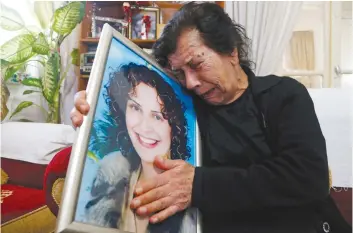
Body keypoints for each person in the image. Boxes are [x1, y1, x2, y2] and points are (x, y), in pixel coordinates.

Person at [71, 2, 350, 233]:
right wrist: (94, 108)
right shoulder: (185, 111)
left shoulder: (283, 94)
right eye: (180, 73)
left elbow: (308, 178)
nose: (190, 82)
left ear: (232, 51)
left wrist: (199, 185)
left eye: (197, 64)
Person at [83, 63, 196, 233]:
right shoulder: (111, 173)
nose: (144, 127)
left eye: (158, 117)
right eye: (135, 108)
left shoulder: (191, 192)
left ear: (175, 126)